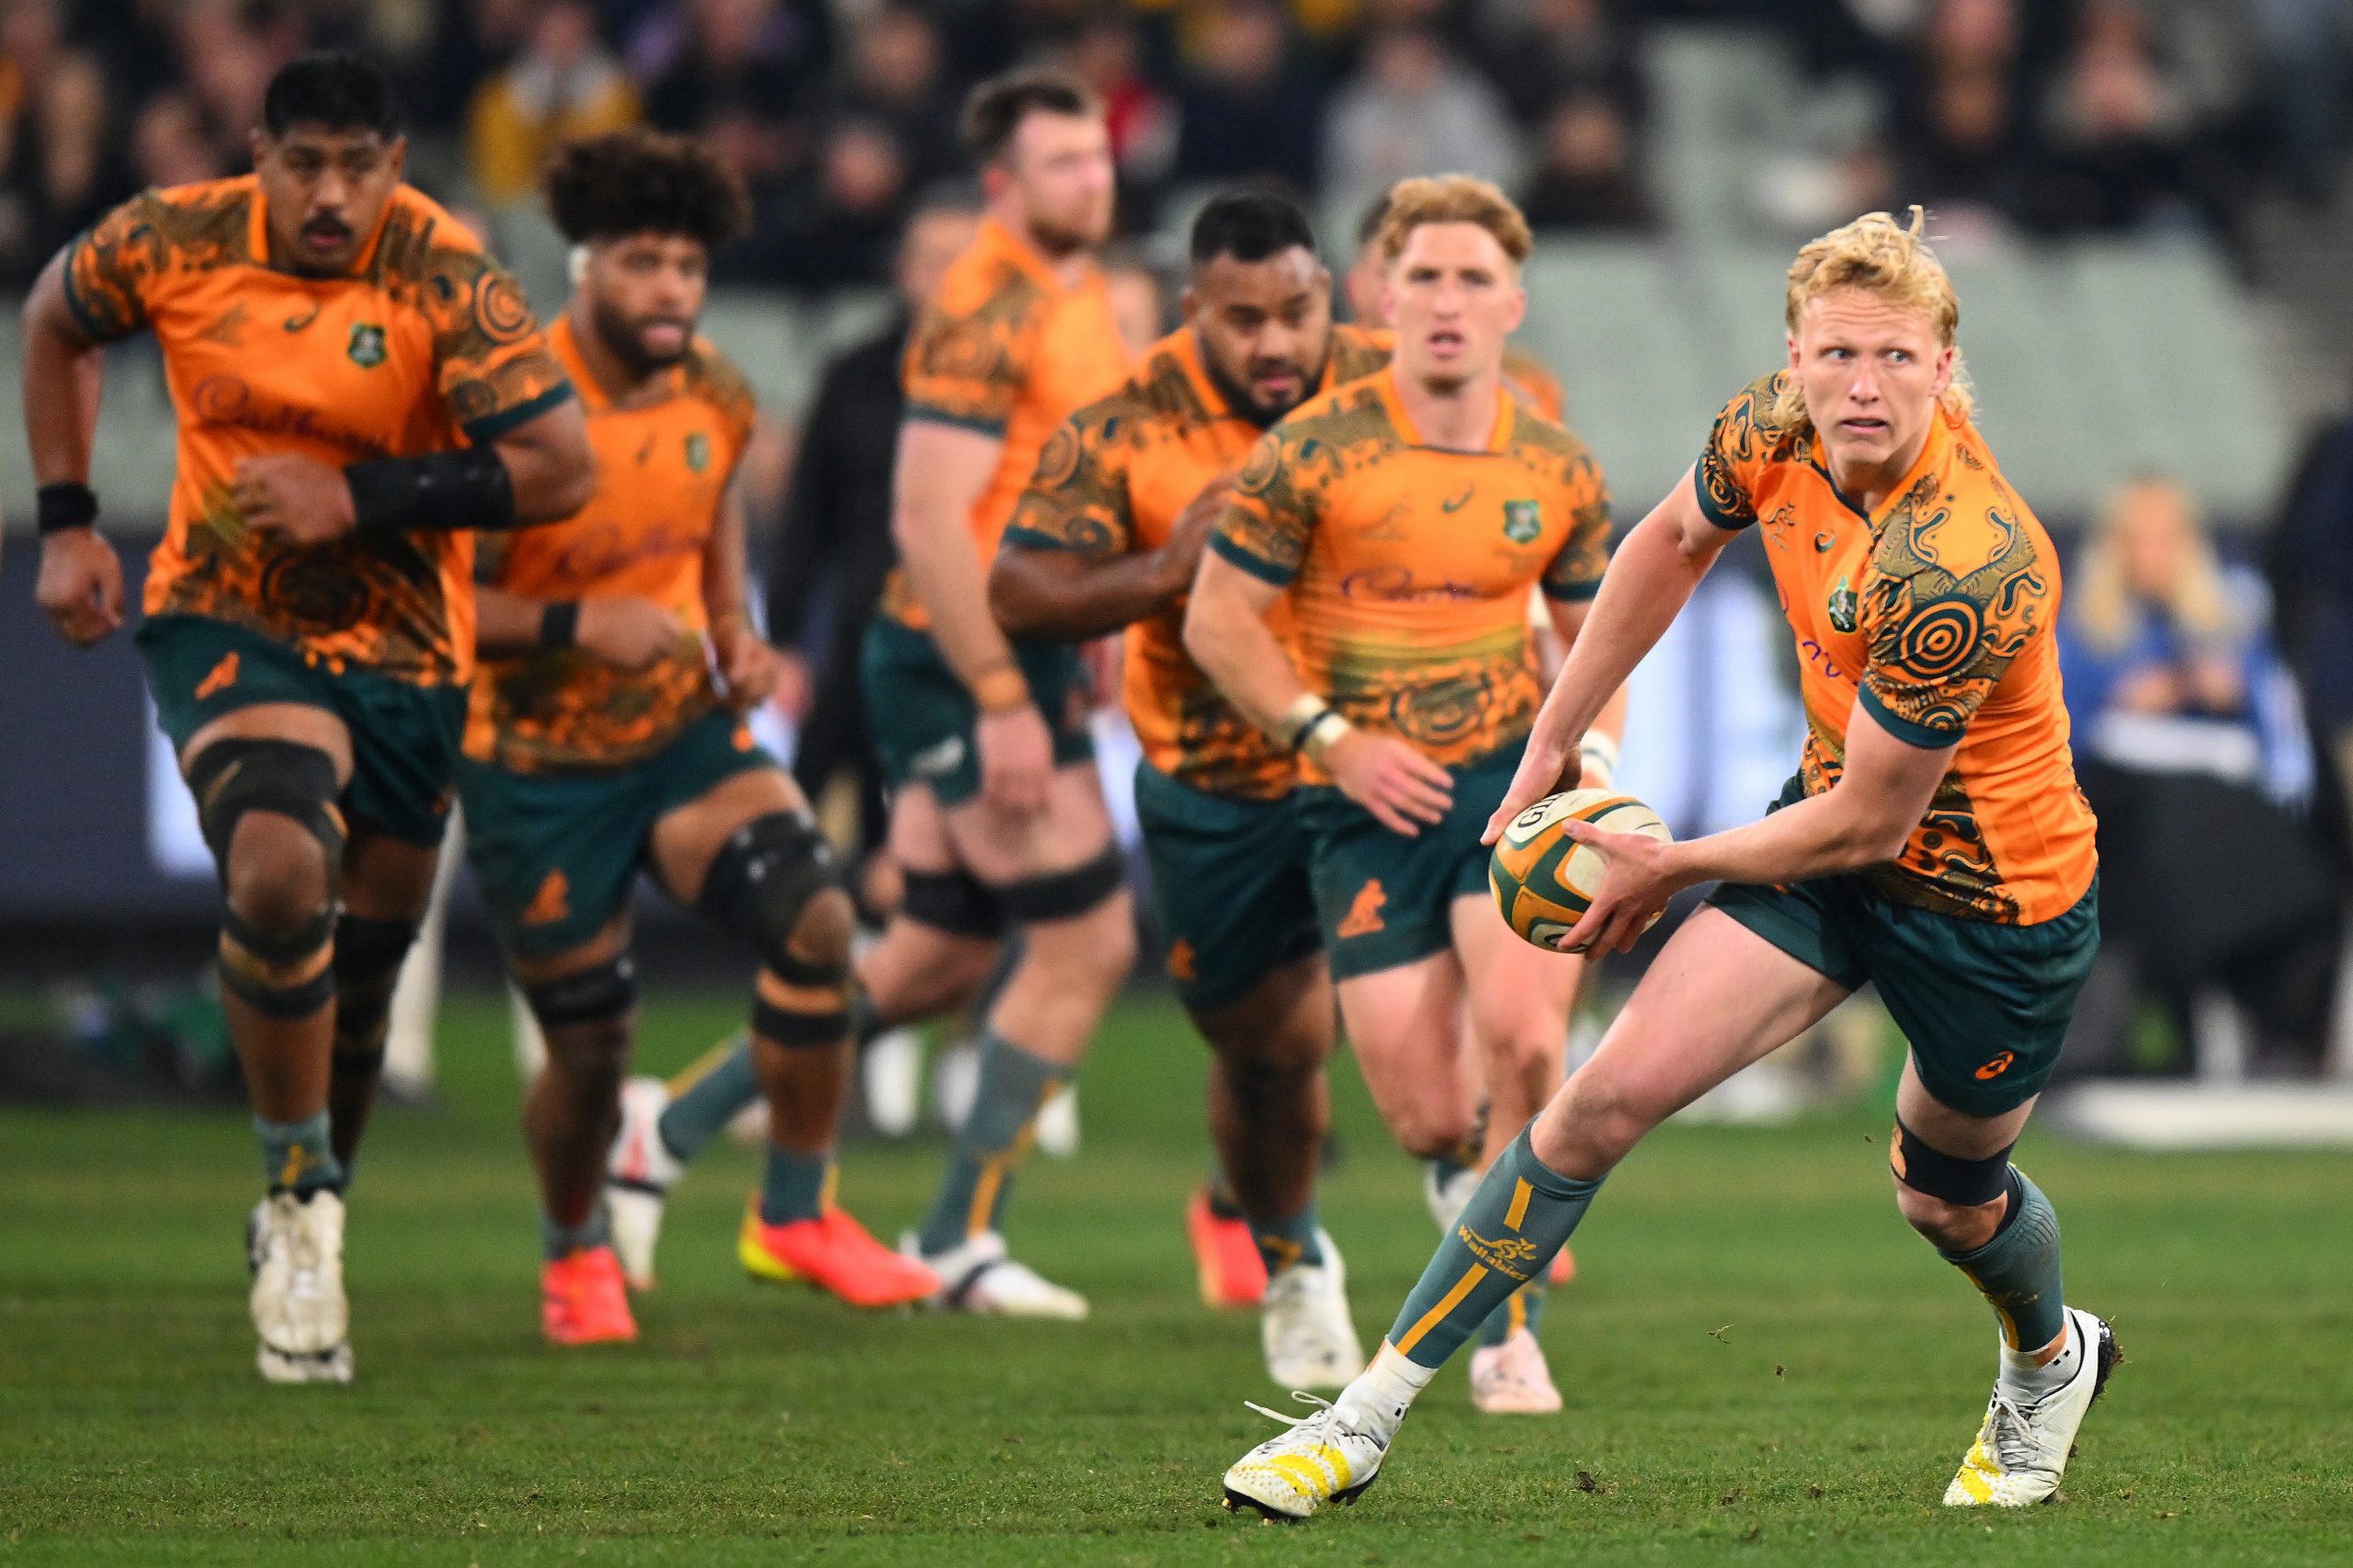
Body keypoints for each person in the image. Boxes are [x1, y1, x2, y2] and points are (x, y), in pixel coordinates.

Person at [1220, 210, 2119, 1519]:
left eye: (1894, 357)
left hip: (1995, 905)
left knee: (1945, 1198)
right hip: (1824, 852)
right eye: (1834, 354)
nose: (1860, 385)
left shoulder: (1962, 561)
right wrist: (1555, 735)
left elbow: (1873, 821)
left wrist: (1667, 864)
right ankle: (1359, 1418)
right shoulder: (1774, 423)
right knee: (1594, 1102)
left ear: (1944, 365)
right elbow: (1667, 546)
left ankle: (2050, 1356)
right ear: (1795, 355)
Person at [23, 52, 595, 1383]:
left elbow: (561, 464)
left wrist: (368, 495)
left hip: (406, 648)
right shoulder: (172, 236)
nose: (332, 194)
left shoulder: (444, 271)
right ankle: (291, 1199)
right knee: (282, 875)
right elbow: (55, 321)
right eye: (304, 165)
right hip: (227, 611)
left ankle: (316, 1198)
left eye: (361, 167)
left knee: (363, 988)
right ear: (258, 153)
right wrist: (64, 525)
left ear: (397, 166)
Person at [604, 68, 1134, 1319]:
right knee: (1089, 934)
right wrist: (1003, 693)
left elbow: (1058, 481)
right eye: (1062, 165)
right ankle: (957, 1233)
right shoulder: (983, 308)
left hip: (1021, 646)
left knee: (934, 959)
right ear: (1004, 184)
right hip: (958, 656)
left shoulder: (1076, 299)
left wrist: (1094, 611)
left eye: (1098, 160)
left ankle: (664, 1131)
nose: (1091, 182)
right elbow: (924, 520)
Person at [455, 130, 938, 1345]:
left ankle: (794, 1210)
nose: (670, 286)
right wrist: (577, 621)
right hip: (535, 765)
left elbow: (713, 509)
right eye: (641, 262)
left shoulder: (715, 389)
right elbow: (437, 603)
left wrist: (733, 627)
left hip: (680, 736)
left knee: (818, 920)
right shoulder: (509, 404)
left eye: (686, 263)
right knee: (588, 1045)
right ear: (583, 266)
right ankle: (575, 1247)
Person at [1186, 176, 1618, 1416]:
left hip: (1505, 788)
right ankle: (1463, 1175)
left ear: (1511, 303)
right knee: (1429, 1107)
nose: (1445, 301)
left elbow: (1597, 641)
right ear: (1379, 296)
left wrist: (1589, 766)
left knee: (1528, 1040)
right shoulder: (1313, 450)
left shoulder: (1558, 462)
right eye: (1422, 276)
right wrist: (1330, 740)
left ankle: (1506, 1332)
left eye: (1473, 279)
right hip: (1361, 801)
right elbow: (1219, 621)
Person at [987, 191, 1392, 1382]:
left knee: (1451, 1011)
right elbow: (1020, 589)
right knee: (1267, 1050)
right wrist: (1164, 571)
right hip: (1217, 786)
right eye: (1242, 318)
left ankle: (1486, 1271)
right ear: (1192, 311)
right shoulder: (1126, 424)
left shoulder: (1398, 389)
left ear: (1335, 294)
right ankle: (1290, 1255)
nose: (1274, 342)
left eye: (1296, 310)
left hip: (1381, 763)